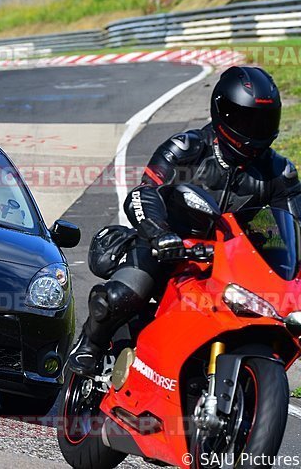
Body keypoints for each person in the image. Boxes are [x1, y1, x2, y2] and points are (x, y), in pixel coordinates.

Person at [67, 66, 301, 377]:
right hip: (166, 247)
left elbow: (292, 228)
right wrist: (158, 234)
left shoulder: (278, 172)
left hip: (230, 263)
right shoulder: (187, 148)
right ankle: (90, 346)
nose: (255, 130)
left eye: (264, 121)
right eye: (246, 119)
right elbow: (143, 193)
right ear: (222, 112)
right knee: (120, 297)